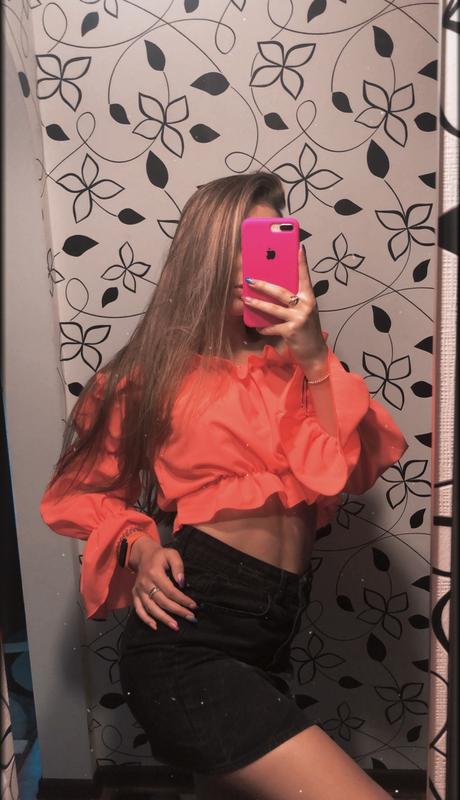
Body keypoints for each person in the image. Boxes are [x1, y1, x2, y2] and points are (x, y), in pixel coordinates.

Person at [40, 172, 408, 800]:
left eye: (268, 244)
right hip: (188, 638)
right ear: (202, 255)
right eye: (233, 244)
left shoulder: (302, 371)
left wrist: (314, 357)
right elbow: (77, 493)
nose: (250, 264)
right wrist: (140, 547)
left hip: (268, 636)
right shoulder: (148, 376)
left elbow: (344, 471)